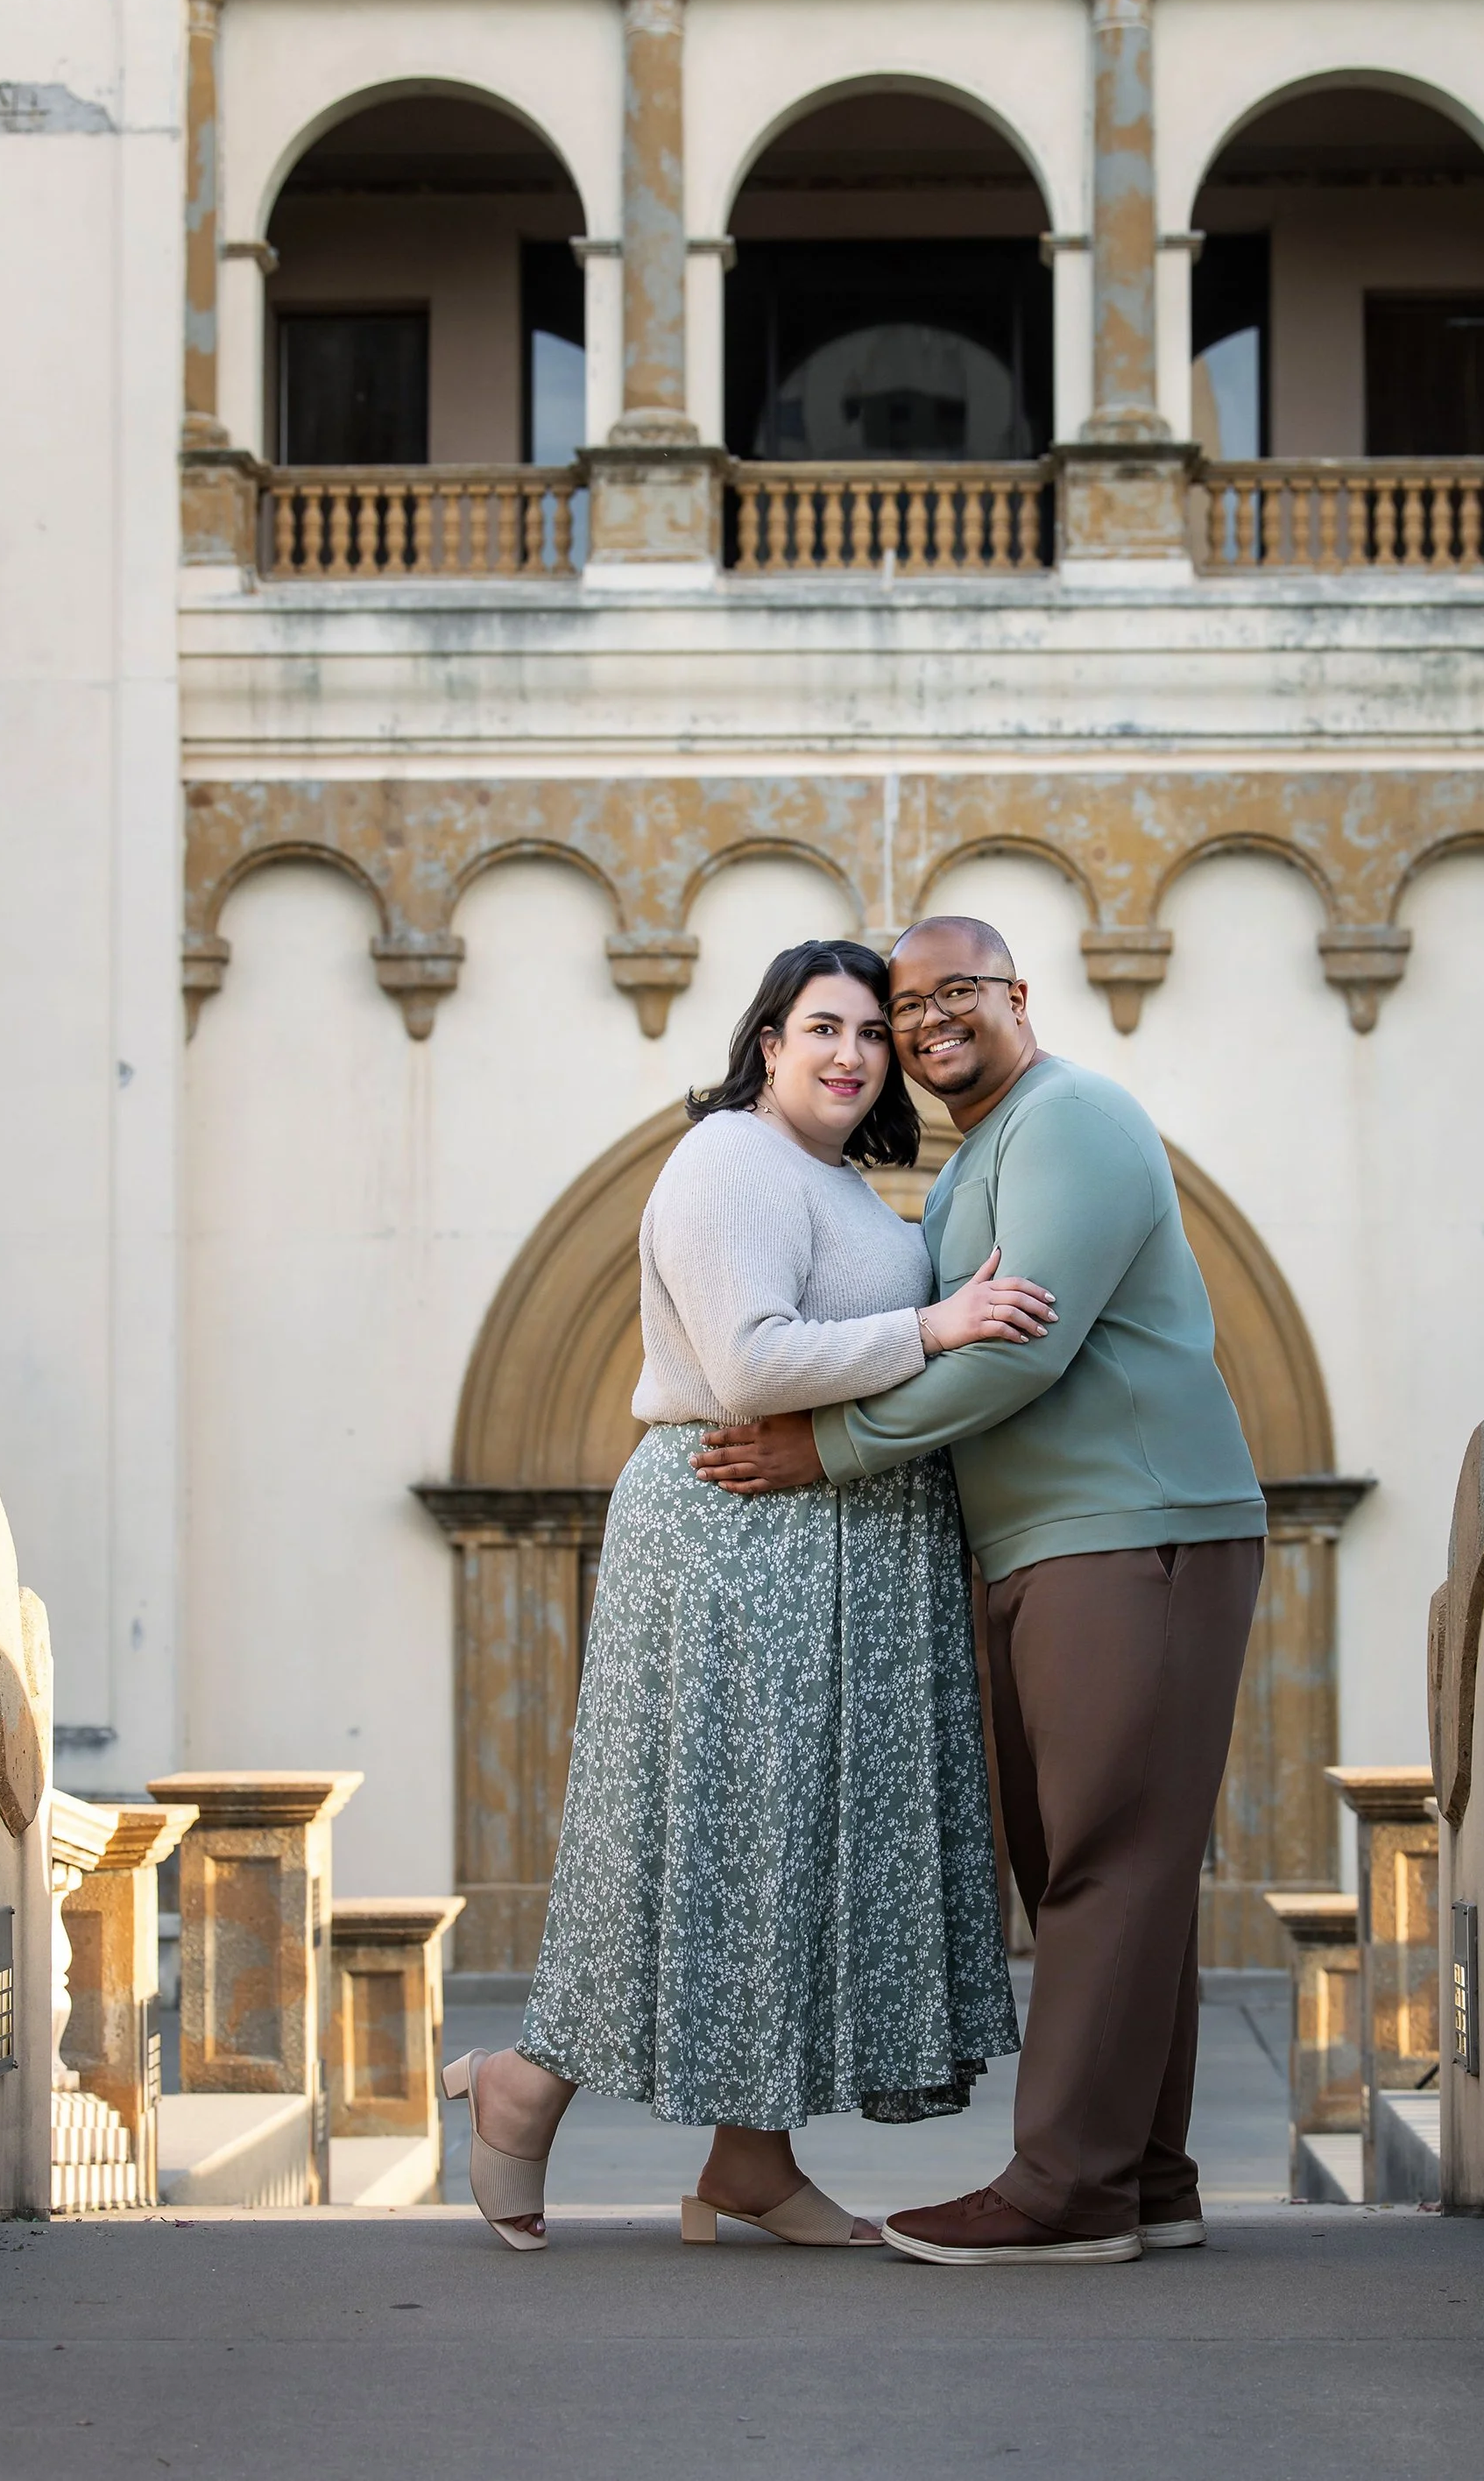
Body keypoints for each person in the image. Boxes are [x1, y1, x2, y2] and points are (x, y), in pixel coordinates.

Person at [444, 937, 1044, 2251]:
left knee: (795, 1853)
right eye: (820, 1025)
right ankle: (523, 2083)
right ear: (766, 1043)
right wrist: (937, 1327)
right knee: (703, 1839)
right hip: (740, 1546)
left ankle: (752, 2161)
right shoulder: (729, 1158)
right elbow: (752, 1361)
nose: (851, 1052)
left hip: (839, 1549)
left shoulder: (834, 1182)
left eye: (872, 1032)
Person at [694, 915, 1267, 2265]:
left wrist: (821, 1448)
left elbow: (1022, 1354)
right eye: (906, 1006)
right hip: (1039, 1546)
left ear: (1020, 994)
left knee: (1106, 1863)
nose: (929, 1020)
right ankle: (1146, 2175)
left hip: (1134, 1529)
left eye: (961, 990)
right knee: (1100, 1867)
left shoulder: (1072, 1119)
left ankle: (1064, 2187)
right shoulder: (968, 1172)